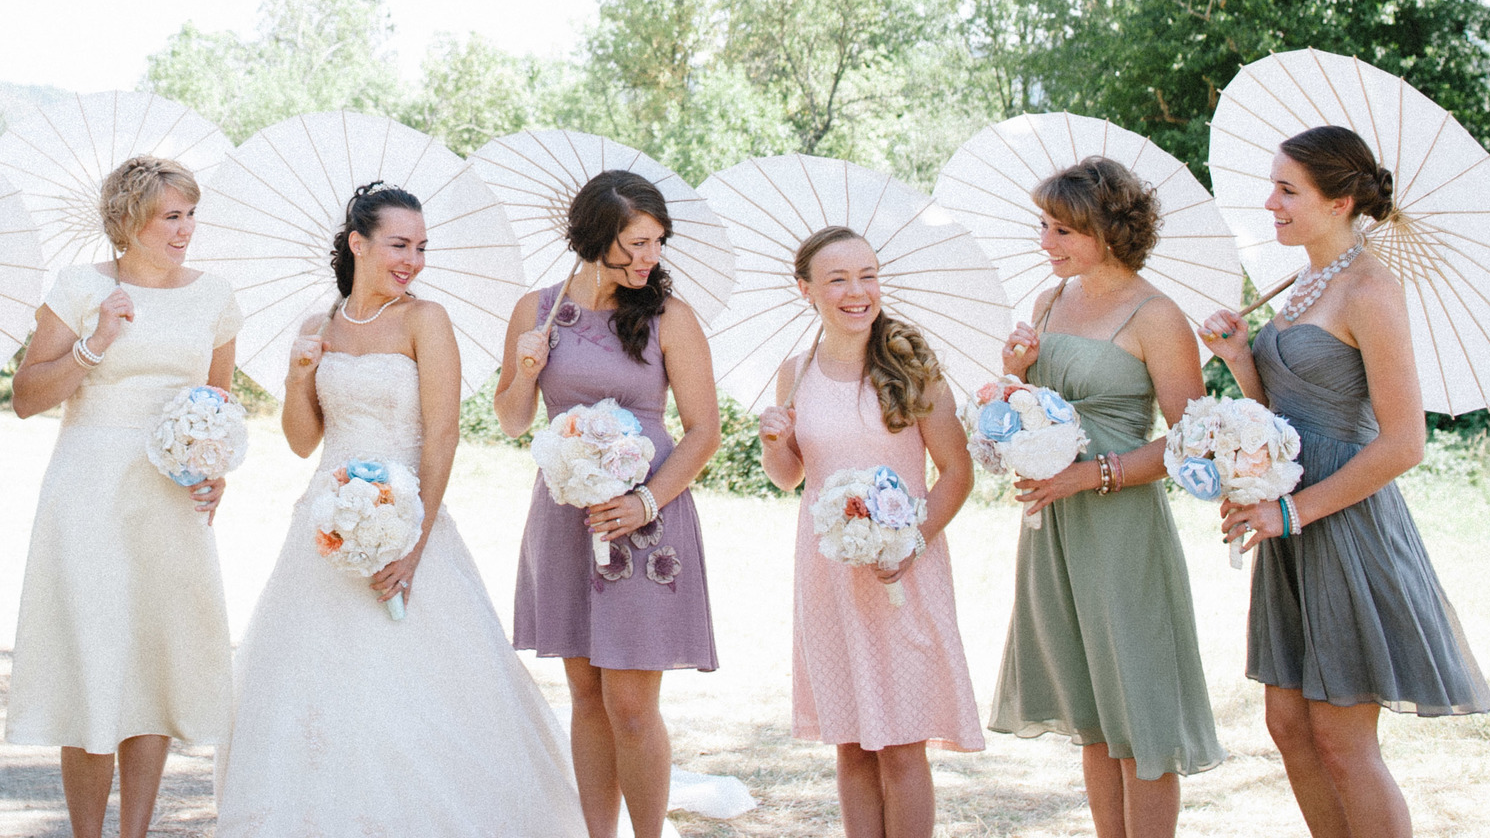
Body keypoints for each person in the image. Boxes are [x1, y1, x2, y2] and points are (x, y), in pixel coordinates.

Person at [216, 182, 581, 836]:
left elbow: (442, 433)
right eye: (398, 245)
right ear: (358, 243)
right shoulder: (316, 324)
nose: (412, 259)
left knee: (414, 692)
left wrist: (413, 543)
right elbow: (303, 441)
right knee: (316, 689)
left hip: (412, 520)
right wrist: (300, 374)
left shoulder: (425, 320)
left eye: (420, 247)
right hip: (325, 529)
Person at [1199, 126, 1490, 838]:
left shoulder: (1370, 288)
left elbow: (1404, 443)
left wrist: (1292, 513)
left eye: (1286, 189)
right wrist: (1242, 359)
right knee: (1289, 726)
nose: (1269, 202)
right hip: (1289, 517)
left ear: (1338, 202)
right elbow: (1284, 420)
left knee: (1341, 738)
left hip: (1343, 522)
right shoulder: (1302, 283)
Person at [4, 156, 241, 838]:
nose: (186, 229)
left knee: (152, 665)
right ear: (130, 221)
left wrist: (215, 466)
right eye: (173, 216)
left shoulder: (215, 295)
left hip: (169, 502)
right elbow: (25, 398)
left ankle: (134, 832)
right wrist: (94, 343)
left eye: (191, 214)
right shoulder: (79, 287)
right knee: (92, 660)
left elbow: (216, 402)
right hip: (91, 495)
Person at [991, 155, 1221, 838]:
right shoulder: (1048, 301)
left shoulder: (1157, 315)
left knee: (1138, 718)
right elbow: (1024, 408)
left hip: (1121, 530)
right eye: (1044, 226)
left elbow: (1193, 445)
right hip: (1052, 527)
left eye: (1062, 230)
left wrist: (1092, 475)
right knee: (1090, 719)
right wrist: (1013, 379)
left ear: (1109, 230)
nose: (1046, 243)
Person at [495, 168, 721, 838]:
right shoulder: (536, 310)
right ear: (597, 237)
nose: (651, 257)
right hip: (567, 516)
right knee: (586, 697)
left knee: (629, 705)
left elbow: (705, 431)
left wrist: (646, 501)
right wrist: (527, 368)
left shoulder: (669, 317)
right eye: (637, 243)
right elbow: (512, 421)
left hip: (649, 521)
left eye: (658, 242)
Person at [757, 226, 982, 838]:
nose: (858, 292)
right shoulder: (795, 371)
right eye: (838, 280)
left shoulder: (913, 366)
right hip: (828, 575)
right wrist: (773, 442)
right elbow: (790, 479)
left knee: (903, 743)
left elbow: (956, 473)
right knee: (851, 743)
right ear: (806, 290)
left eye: (868, 275)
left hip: (903, 569)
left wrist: (911, 542)